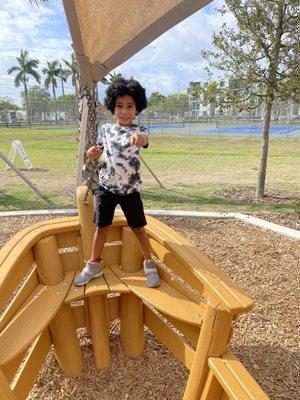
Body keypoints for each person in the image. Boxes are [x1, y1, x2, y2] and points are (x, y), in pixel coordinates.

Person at [75, 77, 160, 288]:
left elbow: (144, 139)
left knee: (139, 229)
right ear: (113, 107)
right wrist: (91, 153)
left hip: (130, 190)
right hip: (107, 188)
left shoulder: (139, 130)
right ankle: (94, 265)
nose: (124, 111)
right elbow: (96, 151)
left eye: (130, 106)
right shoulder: (105, 130)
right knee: (101, 228)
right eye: (120, 106)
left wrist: (141, 138)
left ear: (137, 108)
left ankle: (149, 263)